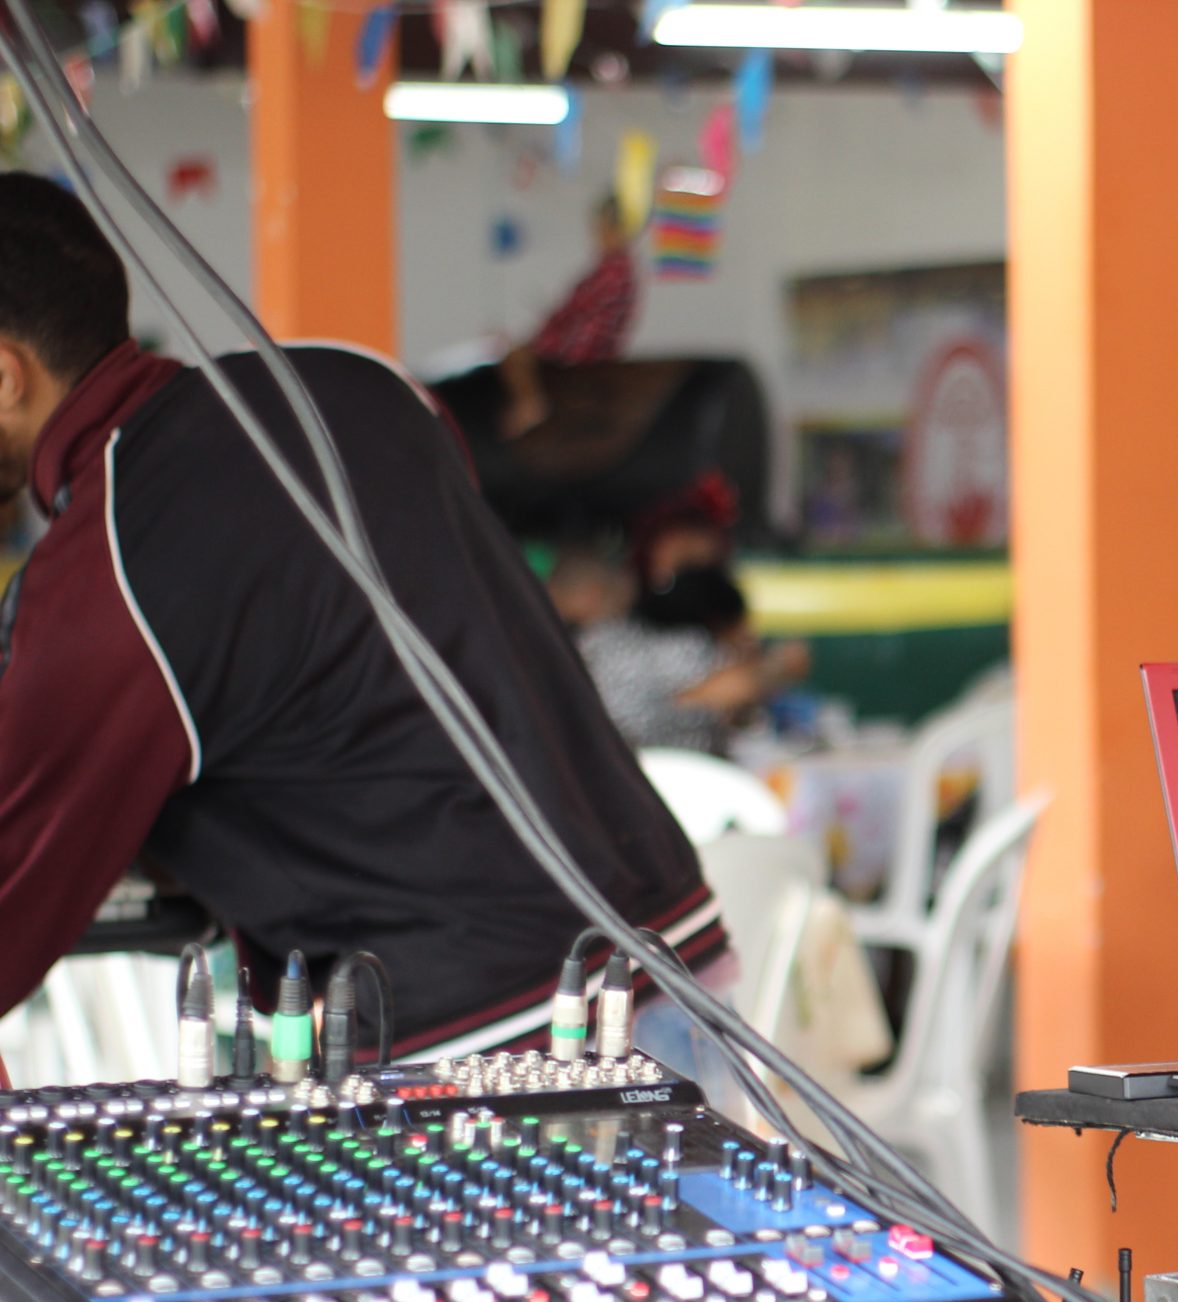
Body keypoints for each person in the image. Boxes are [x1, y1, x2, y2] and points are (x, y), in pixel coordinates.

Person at [0, 173, 723, 1058]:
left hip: (496, 1034)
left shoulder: (114, 551)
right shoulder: (364, 385)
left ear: (6, 374)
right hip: (672, 952)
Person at [568, 473, 809, 755]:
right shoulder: (611, 640)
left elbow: (738, 706)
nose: (676, 572)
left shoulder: (707, 627)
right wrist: (770, 669)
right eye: (680, 553)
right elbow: (710, 696)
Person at [499, 193, 639, 439]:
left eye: (600, 228)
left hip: (583, 352)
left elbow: (576, 315)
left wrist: (543, 338)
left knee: (515, 357)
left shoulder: (613, 272)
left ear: (614, 229)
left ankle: (531, 405)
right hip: (591, 348)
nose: (597, 236)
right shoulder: (619, 270)